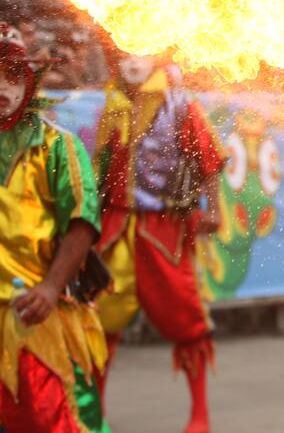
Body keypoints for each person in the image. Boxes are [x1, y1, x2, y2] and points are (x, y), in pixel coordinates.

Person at [94, 51, 226, 433]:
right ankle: (94, 413)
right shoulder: (112, 102)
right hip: (115, 223)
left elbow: (210, 159)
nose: (132, 61)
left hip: (163, 225)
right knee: (100, 318)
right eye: (125, 54)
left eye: (141, 52)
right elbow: (101, 164)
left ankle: (199, 413)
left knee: (185, 316)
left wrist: (214, 209)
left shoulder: (181, 104)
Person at [0, 23, 109, 432]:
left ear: (30, 80)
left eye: (13, 74)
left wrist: (49, 288)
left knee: (57, 421)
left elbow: (81, 221)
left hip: (36, 316)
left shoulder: (58, 145)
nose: (3, 87)